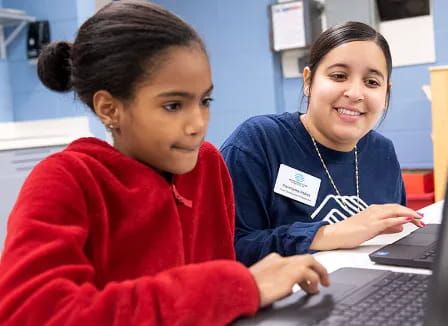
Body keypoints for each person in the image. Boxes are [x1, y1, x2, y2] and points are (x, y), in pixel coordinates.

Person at [0, 2, 330, 325]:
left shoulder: (208, 165)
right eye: (173, 105)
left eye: (204, 101)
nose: (197, 123)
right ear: (109, 109)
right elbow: (28, 313)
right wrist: (232, 289)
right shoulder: (67, 179)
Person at [221, 21, 425, 267]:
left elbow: (392, 241)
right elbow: (229, 247)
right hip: (284, 300)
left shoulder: (382, 152)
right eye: (339, 76)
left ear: (386, 92)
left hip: (366, 293)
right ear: (308, 81)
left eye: (372, 82)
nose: (355, 93)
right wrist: (328, 234)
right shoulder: (258, 142)